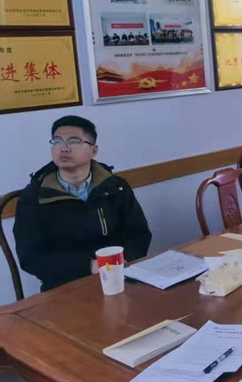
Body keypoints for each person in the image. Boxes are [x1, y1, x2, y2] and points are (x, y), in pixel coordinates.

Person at [13, 116, 151, 292]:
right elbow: (30, 256)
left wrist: (122, 261)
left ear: (93, 150)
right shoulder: (35, 196)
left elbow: (139, 234)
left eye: (74, 141)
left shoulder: (115, 187)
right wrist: (89, 265)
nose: (64, 148)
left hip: (118, 276)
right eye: (57, 141)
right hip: (63, 286)